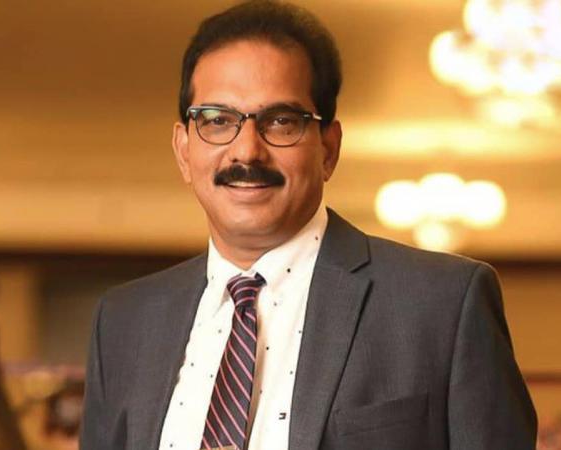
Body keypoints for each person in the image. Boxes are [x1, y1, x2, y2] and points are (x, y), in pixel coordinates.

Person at [79, 1, 537, 449]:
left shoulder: (442, 304)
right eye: (217, 120)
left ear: (328, 149)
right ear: (183, 150)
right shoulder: (124, 322)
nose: (247, 151)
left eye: (281, 122)